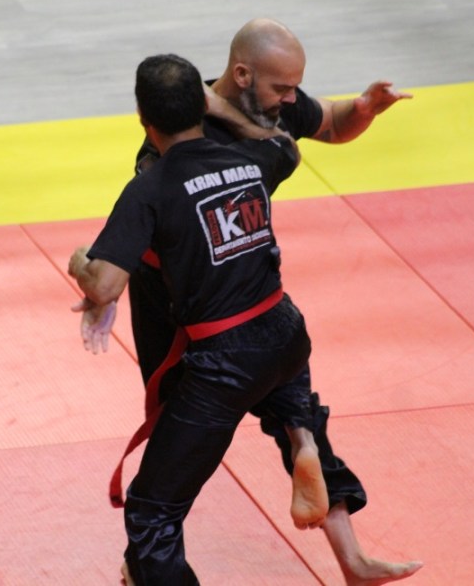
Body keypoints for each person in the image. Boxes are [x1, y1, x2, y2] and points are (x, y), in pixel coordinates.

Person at [117, 18, 420, 585]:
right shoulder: (180, 138)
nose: (291, 99)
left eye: (294, 87)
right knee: (273, 414)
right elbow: (148, 221)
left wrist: (364, 108)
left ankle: (345, 557)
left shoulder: (275, 107)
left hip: (233, 305)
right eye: (282, 88)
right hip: (183, 302)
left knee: (199, 445)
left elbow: (331, 123)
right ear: (241, 75)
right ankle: (317, 496)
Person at [69, 53, 331, 584]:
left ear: (143, 118)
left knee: (152, 511)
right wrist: (230, 115)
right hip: (286, 336)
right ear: (203, 104)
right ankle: (300, 433)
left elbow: (105, 284)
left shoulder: (150, 187)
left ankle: (297, 428)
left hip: (225, 362)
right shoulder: (257, 158)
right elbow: (288, 148)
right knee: (279, 383)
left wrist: (79, 262)